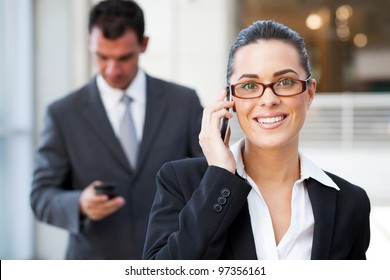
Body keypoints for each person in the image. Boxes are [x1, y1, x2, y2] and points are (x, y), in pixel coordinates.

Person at [142, 20, 371, 260]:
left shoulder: (350, 203)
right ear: (230, 99)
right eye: (249, 85)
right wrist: (219, 177)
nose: (268, 99)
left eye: (285, 82)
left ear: (310, 93)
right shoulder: (181, 182)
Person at [30, 0, 203, 260]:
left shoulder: (184, 103)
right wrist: (78, 204)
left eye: (124, 58)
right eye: (102, 57)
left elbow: (208, 176)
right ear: (89, 43)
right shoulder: (62, 114)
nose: (113, 70)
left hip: (171, 258)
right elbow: (41, 196)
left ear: (143, 45)